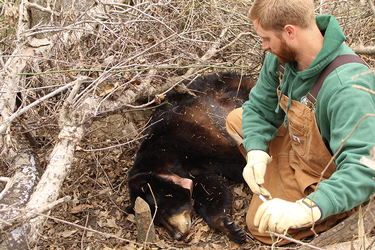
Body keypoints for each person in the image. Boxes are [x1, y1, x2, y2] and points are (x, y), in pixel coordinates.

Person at [226, 0, 375, 245]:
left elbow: (365, 166)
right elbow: (259, 108)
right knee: (236, 120)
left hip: (323, 172)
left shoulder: (346, 87)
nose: (264, 47)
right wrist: (255, 151)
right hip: (296, 144)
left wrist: (308, 209)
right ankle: (274, 176)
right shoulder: (283, 56)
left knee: (262, 226)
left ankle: (336, 209)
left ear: (289, 32)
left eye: (266, 39)